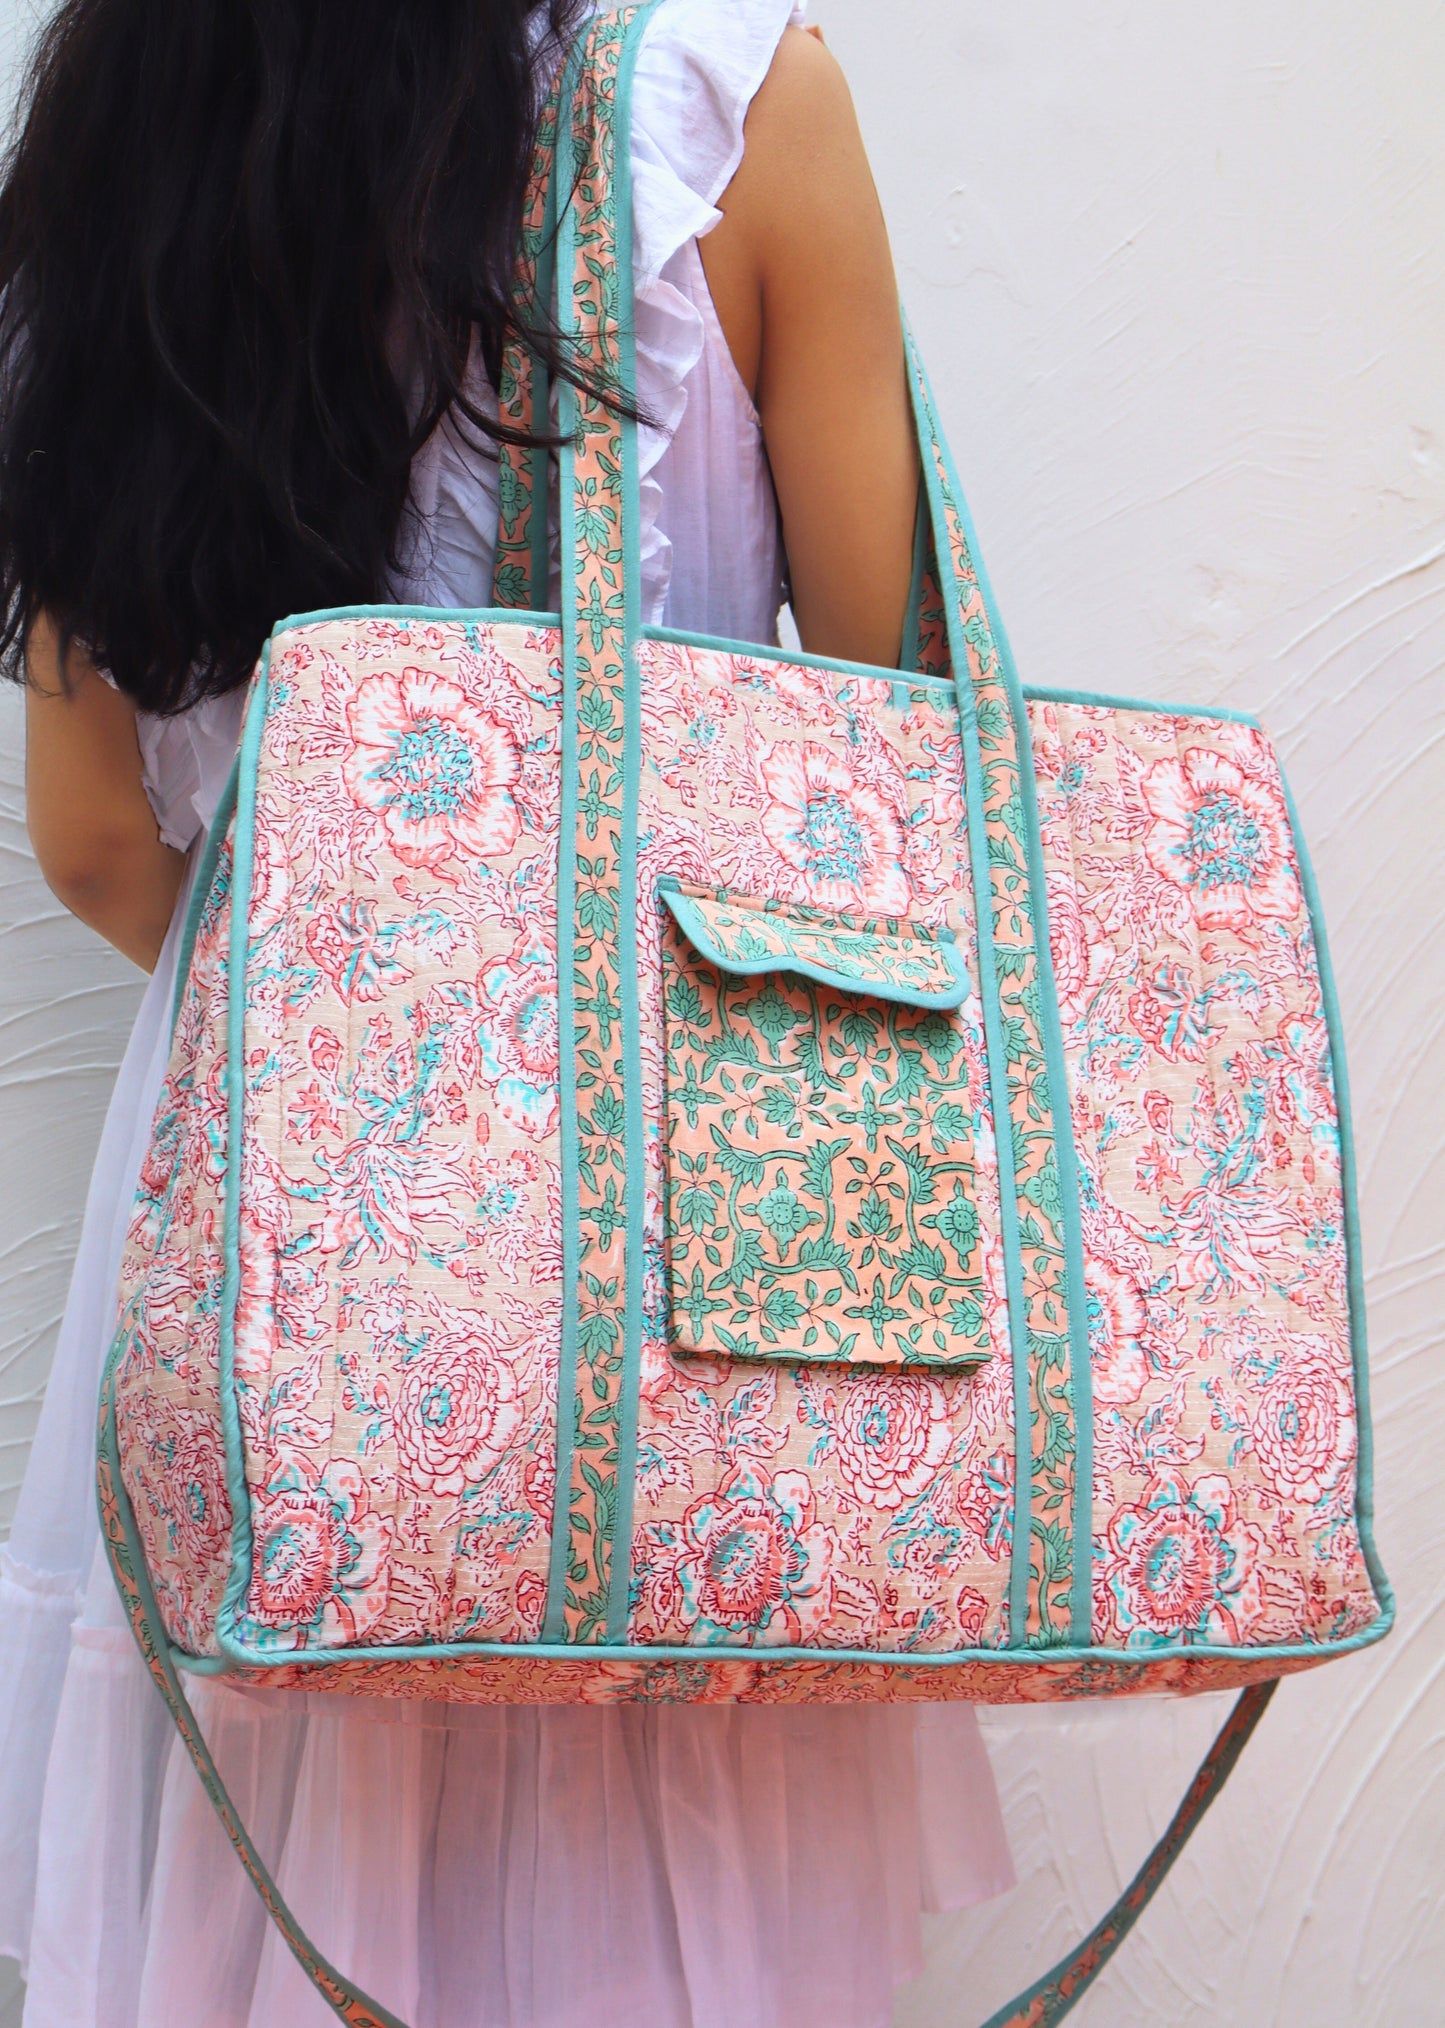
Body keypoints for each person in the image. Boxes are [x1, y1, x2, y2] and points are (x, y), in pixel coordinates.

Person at [0, 3, 1016, 2022]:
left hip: (262, 1218)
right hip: (674, 1243)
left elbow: (97, 838)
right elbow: (895, 759)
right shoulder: (723, 109)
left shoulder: (133, 136)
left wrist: (360, 1019)